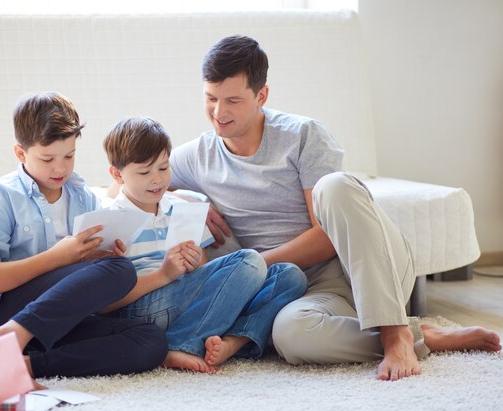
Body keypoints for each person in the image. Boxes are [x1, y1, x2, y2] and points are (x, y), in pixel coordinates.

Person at [168, 35, 501, 381]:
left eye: (233, 100)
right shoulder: (198, 156)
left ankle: (395, 332)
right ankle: (424, 335)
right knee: (290, 336)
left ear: (262, 96)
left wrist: (252, 265)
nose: (219, 113)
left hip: (366, 265)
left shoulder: (303, 135)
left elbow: (328, 238)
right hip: (306, 292)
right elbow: (126, 184)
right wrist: (183, 199)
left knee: (335, 186)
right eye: (210, 99)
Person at [0, 92, 168, 380]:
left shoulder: (83, 197)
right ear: (21, 153)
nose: (60, 168)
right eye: (47, 158)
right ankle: (10, 336)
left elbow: (93, 282)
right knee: (120, 270)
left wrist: (99, 259)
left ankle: (24, 365)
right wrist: (58, 258)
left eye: (69, 155)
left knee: (151, 340)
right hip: (5, 317)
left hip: (59, 322)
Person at [102, 116, 309, 373]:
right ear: (116, 174)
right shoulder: (109, 221)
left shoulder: (182, 209)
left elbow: (204, 277)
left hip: (189, 305)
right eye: (144, 172)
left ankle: (231, 343)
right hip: (143, 309)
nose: (157, 180)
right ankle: (177, 345)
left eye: (164, 168)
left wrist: (193, 264)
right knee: (249, 260)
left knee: (290, 276)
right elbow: (103, 304)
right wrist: (163, 274)